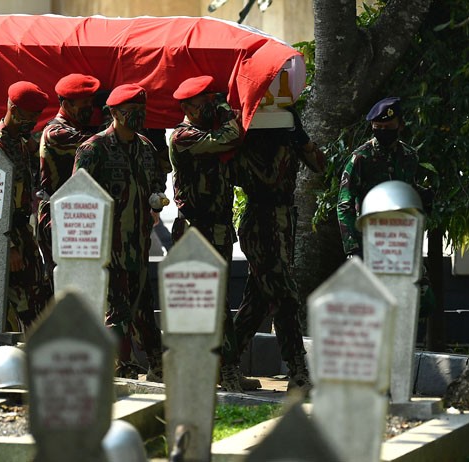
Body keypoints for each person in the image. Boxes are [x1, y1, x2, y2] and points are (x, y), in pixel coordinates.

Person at [168, 76, 262, 392]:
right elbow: (233, 135)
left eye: (211, 102)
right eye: (204, 104)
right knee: (200, 301)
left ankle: (224, 371)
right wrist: (225, 107)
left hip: (218, 226)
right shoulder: (183, 136)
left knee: (219, 301)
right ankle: (208, 371)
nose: (210, 108)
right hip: (195, 229)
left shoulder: (205, 131)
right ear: (189, 108)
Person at [73, 83, 168, 380]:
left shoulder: (146, 147)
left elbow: (156, 182)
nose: (137, 117)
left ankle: (158, 367)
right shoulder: (93, 149)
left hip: (138, 244)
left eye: (141, 111)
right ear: (114, 112)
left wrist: (156, 199)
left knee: (143, 308)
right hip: (107, 247)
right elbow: (78, 196)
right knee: (117, 312)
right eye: (131, 112)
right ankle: (121, 369)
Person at [231, 105, 325, 394]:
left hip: (283, 222)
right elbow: (268, 178)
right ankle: (298, 371)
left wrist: (302, 138)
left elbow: (320, 165)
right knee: (284, 296)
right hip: (262, 223)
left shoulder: (288, 128)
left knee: (257, 302)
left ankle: (221, 363)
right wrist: (285, 143)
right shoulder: (246, 134)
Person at [337, 96, 436, 315]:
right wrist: (353, 249)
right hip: (371, 241)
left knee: (423, 300)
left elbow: (405, 188)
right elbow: (344, 204)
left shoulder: (409, 156)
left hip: (402, 239)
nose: (382, 131)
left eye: (387, 127)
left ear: (400, 125)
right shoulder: (361, 158)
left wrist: (421, 196)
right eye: (377, 127)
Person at [0, 81, 52, 331]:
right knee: (20, 304)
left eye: (36, 117)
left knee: (38, 298)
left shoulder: (21, 144)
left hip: (23, 232)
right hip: (7, 237)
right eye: (28, 116)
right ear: (13, 109)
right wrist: (10, 246)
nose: (32, 122)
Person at [37, 73, 100, 276]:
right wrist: (113, 115)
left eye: (92, 102)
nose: (90, 107)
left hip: (77, 216)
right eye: (84, 103)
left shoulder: (75, 127)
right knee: (62, 281)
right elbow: (100, 142)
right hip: (57, 218)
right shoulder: (57, 133)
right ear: (65, 103)